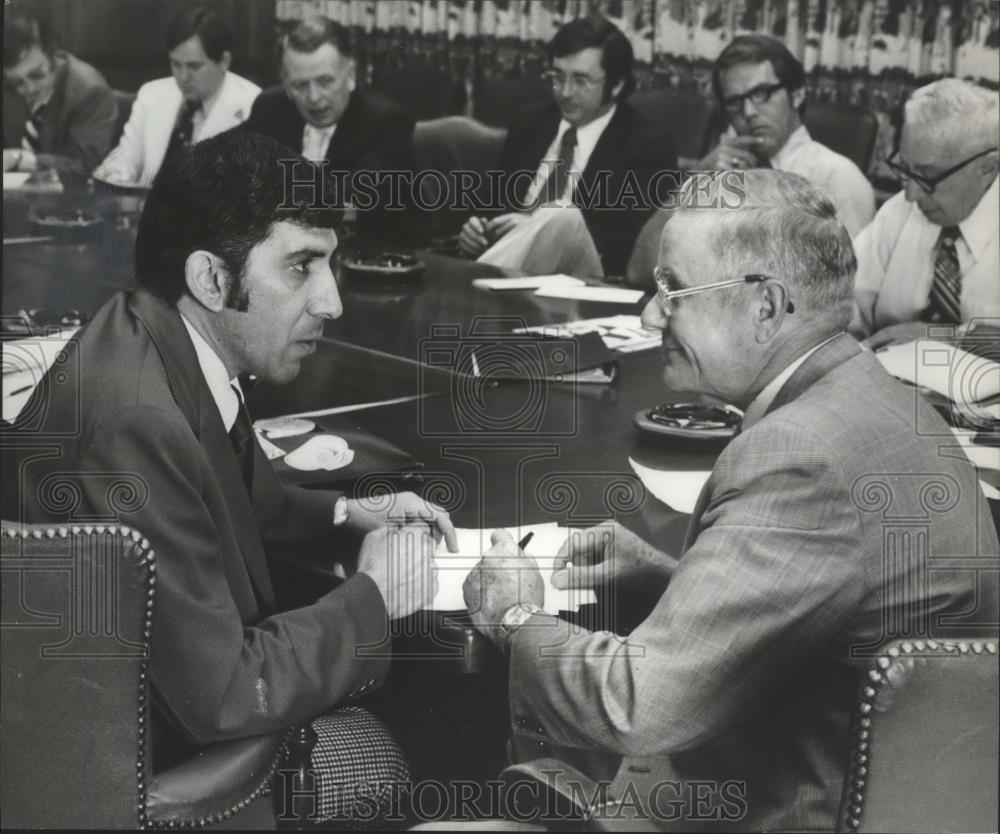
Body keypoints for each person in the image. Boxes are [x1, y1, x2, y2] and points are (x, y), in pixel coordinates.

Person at [463, 169, 998, 831]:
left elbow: (639, 706)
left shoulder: (798, 455)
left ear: (766, 307)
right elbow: (819, 617)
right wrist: (669, 577)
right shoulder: (876, 398)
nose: (651, 314)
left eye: (673, 290)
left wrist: (513, 616)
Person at [2, 132, 457, 820]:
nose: (333, 302)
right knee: (401, 752)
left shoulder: (150, 333)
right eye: (302, 267)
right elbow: (224, 694)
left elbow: (228, 493)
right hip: (141, 775)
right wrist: (374, 596)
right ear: (211, 278)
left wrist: (348, 512)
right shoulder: (138, 423)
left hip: (117, 715)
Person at [457, 15, 677, 279]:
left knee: (562, 216)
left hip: (585, 277)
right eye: (557, 76)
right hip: (510, 262)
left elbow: (632, 242)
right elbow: (491, 200)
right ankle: (478, 284)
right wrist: (475, 228)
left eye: (581, 80)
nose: (565, 92)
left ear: (617, 85)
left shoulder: (647, 143)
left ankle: (469, 284)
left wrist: (537, 229)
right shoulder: (531, 121)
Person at [239, 17, 420, 247]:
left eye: (325, 82)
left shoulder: (386, 122)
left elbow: (351, 195)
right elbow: (230, 158)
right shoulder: (270, 108)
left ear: (351, 75)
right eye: (300, 85)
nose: (314, 98)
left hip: (372, 255)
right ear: (285, 82)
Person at [851, 79, 1000, 349]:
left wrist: (950, 339)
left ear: (988, 168)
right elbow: (844, 303)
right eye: (906, 170)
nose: (911, 195)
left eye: (928, 177)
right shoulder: (898, 212)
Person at [699, 34, 874, 237]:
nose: (748, 112)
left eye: (761, 93)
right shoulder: (723, 174)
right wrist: (695, 183)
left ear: (797, 94)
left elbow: (852, 268)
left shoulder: (838, 180)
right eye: (735, 103)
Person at [93, 6, 259, 187]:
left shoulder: (253, 104)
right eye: (176, 64)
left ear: (224, 61)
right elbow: (125, 156)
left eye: (194, 66)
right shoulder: (152, 94)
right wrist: (114, 174)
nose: (183, 77)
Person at [2, 10, 117, 176]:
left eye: (37, 75)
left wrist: (28, 161)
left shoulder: (90, 91)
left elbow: (85, 165)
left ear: (53, 54)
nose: (29, 88)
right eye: (17, 82)